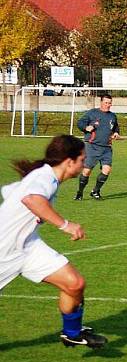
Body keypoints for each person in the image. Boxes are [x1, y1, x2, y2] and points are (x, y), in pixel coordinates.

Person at [0, 135, 107, 348]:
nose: (85, 163)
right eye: (82, 159)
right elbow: (31, 199)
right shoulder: (45, 177)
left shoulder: (44, 178)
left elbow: (12, 192)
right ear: (69, 162)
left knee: (75, 284)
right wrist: (66, 225)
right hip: (4, 249)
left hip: (28, 246)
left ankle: (72, 333)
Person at [74, 93, 120, 200]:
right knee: (87, 171)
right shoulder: (92, 113)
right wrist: (86, 128)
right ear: (101, 102)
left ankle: (95, 191)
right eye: (106, 103)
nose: (108, 105)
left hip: (106, 148)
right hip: (92, 146)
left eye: (110, 103)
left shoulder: (112, 116)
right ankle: (80, 192)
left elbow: (115, 127)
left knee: (107, 170)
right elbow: (80, 123)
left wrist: (116, 133)